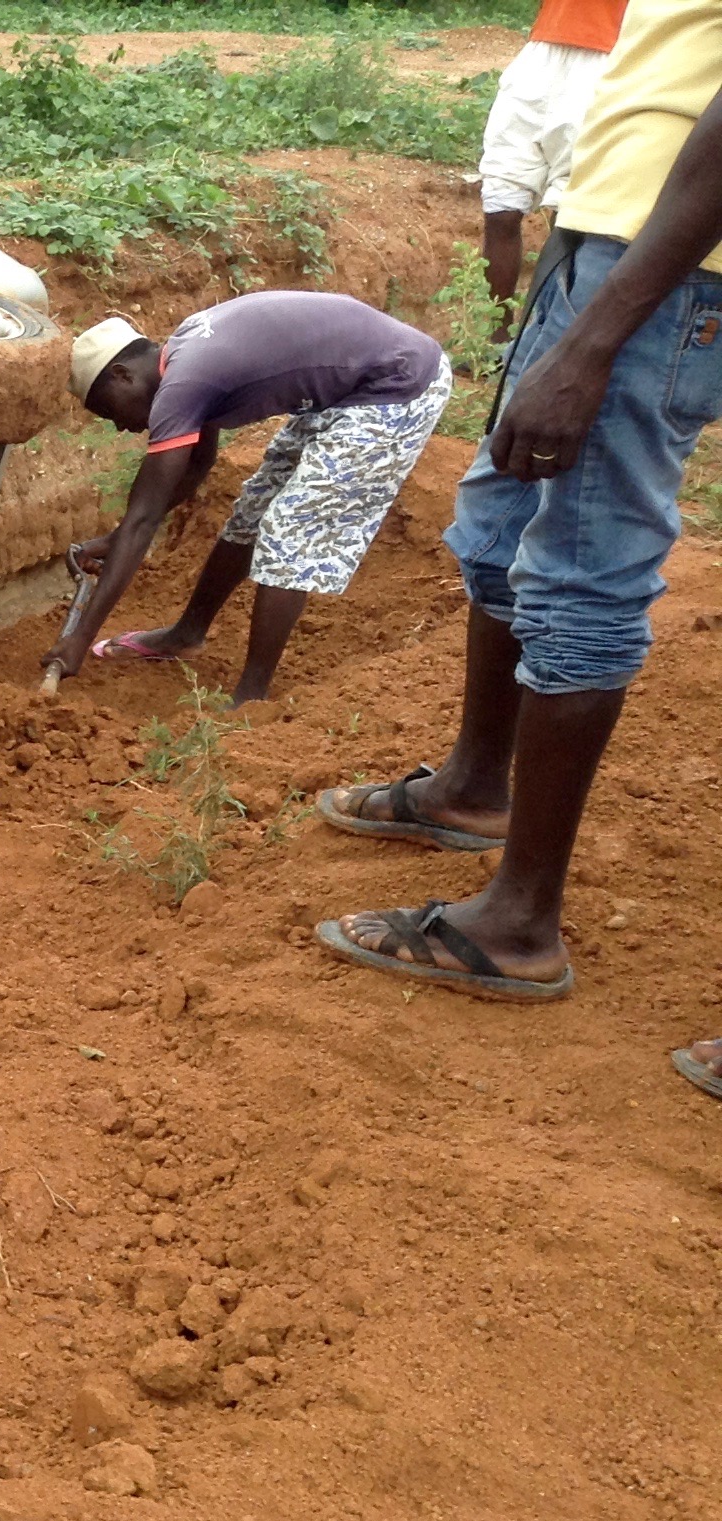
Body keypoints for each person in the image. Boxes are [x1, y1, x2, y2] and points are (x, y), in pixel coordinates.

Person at [313, 0, 722, 1085]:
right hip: (609, 249)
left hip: (670, 275)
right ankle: (473, 788)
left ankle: (520, 921)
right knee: (496, 524)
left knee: (585, 573)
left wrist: (595, 336)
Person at [42, 293, 452, 706]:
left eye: (109, 411)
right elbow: (198, 464)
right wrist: (117, 540)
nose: (119, 428)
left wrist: (79, 640)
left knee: (292, 529)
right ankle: (187, 635)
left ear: (122, 375)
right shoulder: (184, 355)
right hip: (350, 386)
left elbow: (143, 519)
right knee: (251, 513)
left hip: (398, 383)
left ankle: (251, 697)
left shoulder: (185, 383)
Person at [478, 0, 629, 315]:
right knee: (500, 204)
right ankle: (494, 339)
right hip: (541, 52)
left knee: (569, 216)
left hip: (609, 55)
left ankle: (537, 339)